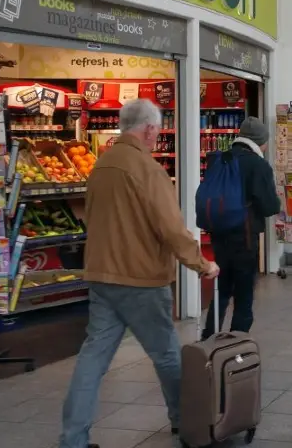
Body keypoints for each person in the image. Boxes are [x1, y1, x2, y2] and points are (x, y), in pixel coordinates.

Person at [60, 99, 219, 448]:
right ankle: (186, 424)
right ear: (148, 129)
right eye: (157, 130)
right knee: (165, 354)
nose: (157, 135)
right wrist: (202, 263)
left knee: (92, 359)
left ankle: (73, 439)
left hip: (102, 276)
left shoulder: (101, 166)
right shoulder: (148, 170)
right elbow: (171, 228)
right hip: (141, 279)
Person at [200, 117, 281, 340]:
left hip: (218, 234)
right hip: (244, 237)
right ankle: (236, 344)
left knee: (223, 288)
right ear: (260, 142)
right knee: (244, 294)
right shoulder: (258, 164)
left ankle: (208, 339)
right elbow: (269, 206)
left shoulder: (220, 158)